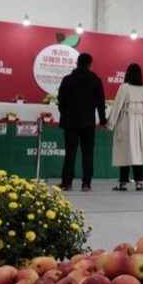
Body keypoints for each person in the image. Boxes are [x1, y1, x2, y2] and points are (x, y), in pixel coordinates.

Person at [57, 53, 107, 192]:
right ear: (90, 64)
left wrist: (65, 114)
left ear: (77, 62)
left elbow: (61, 100)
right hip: (88, 123)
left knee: (70, 153)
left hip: (70, 123)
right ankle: (86, 184)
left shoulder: (67, 80)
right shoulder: (96, 80)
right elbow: (100, 102)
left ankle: (67, 183)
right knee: (88, 154)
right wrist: (102, 120)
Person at [108, 63, 143, 191]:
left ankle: (123, 183)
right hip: (142, 123)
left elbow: (117, 106)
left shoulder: (124, 87)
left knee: (124, 151)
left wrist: (110, 123)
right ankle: (139, 182)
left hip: (127, 122)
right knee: (139, 152)